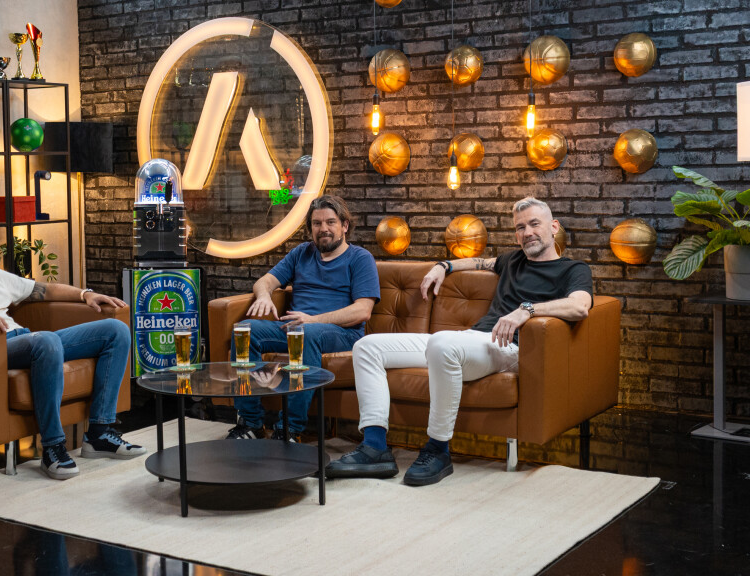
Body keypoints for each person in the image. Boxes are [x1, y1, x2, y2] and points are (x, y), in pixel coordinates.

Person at [326, 197, 592, 485]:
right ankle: (375, 448)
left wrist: (526, 310)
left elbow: (579, 306)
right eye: (520, 227)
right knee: (367, 347)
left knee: (442, 344)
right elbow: (479, 261)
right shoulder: (512, 260)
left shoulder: (572, 269)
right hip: (473, 340)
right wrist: (443, 266)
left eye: (534, 224)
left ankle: (438, 450)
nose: (527, 232)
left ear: (553, 227)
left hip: (510, 348)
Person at [0, 208, 145, 481]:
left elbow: (42, 289)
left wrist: (85, 294)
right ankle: (53, 447)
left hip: (29, 341)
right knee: (46, 340)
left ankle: (99, 434)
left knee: (115, 330)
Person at [227, 195, 380, 442]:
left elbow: (362, 310)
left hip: (341, 333)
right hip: (296, 327)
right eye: (317, 223)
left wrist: (313, 320)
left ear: (344, 225)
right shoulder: (302, 253)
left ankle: (289, 429)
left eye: (330, 222)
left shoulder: (360, 258)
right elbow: (265, 281)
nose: (323, 228)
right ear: (310, 228)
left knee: (303, 334)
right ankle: (251, 422)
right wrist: (264, 296)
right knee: (245, 330)